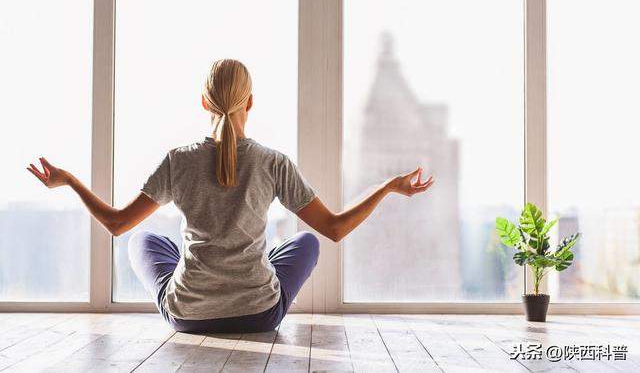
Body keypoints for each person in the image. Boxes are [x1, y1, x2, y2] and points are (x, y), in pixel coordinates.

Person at [27, 59, 434, 333]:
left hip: (188, 315)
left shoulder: (178, 161)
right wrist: (387, 188)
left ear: (204, 102)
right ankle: (253, 273)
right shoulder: (272, 162)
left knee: (143, 240)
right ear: (250, 103)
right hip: (259, 314)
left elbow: (117, 224)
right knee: (305, 241)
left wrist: (71, 182)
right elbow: (334, 229)